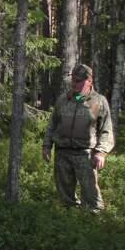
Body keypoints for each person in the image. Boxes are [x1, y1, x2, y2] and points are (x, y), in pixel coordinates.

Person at [42, 64, 114, 212]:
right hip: (62, 152)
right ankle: (69, 220)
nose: (74, 83)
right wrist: (46, 145)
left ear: (89, 81)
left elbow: (106, 130)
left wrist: (101, 152)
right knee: (65, 195)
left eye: (79, 80)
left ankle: (94, 222)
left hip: (85, 154)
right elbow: (52, 124)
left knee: (91, 196)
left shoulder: (99, 101)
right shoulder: (63, 100)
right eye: (73, 79)